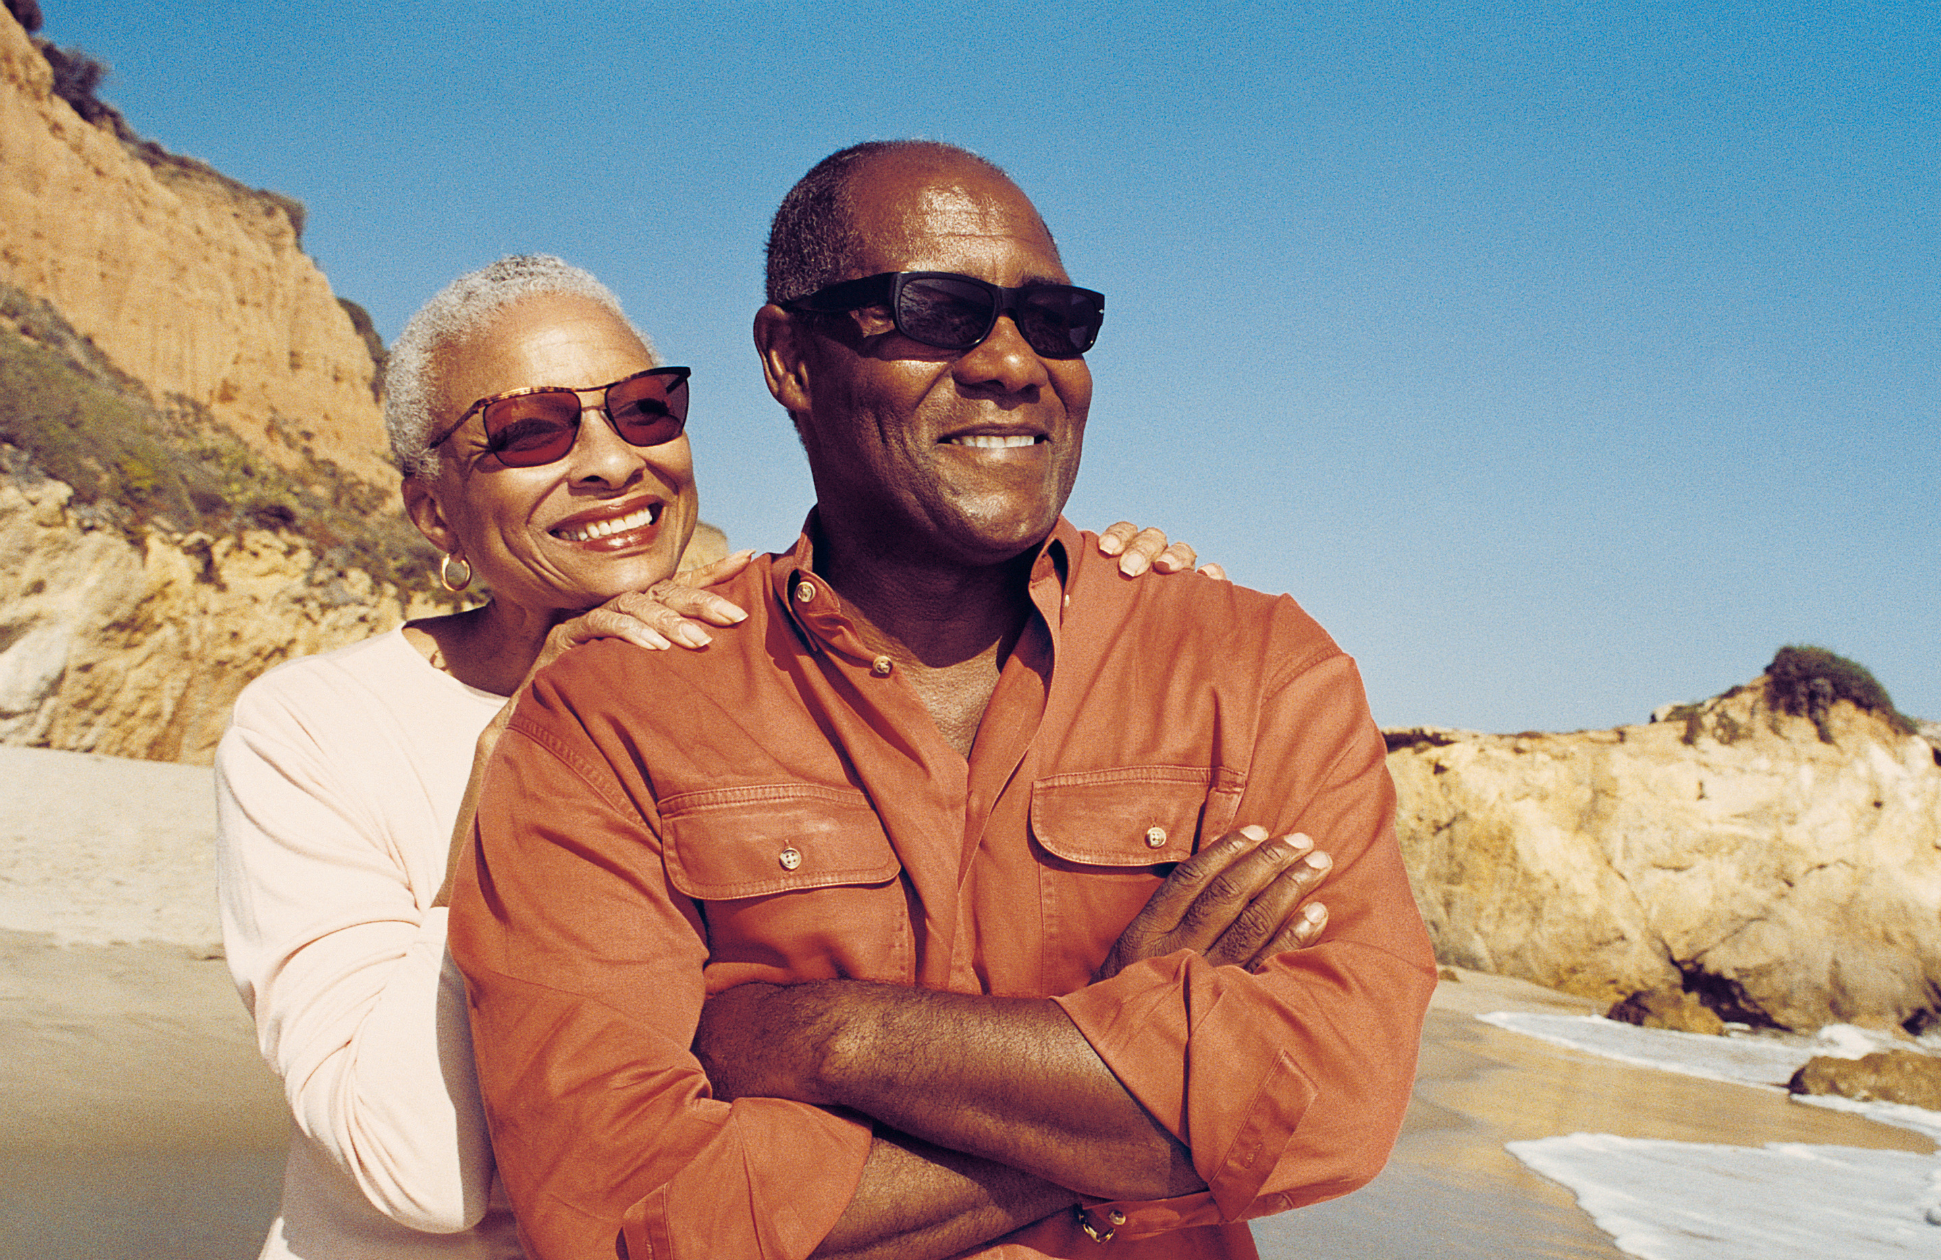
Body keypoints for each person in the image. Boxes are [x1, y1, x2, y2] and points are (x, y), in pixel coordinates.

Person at [450, 142, 1436, 1260]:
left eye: (1056, 321)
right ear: (788, 359)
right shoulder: (611, 716)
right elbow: (628, 1211)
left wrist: (828, 1037)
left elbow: (1331, 1103)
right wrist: (1120, 1086)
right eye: (938, 310)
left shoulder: (1252, 670)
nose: (1015, 364)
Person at [213, 254, 1219, 1260]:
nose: (611, 462)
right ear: (433, 509)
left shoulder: (796, 658)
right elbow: (415, 1170)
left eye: (645, 410)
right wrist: (525, 750)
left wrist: (1120, 599)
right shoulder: (313, 729)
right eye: (532, 429)